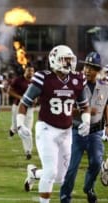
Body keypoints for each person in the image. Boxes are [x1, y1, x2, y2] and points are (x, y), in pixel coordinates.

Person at [18, 45, 90, 203]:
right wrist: (20, 124)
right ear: (54, 60)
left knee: (60, 177)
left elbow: (84, 106)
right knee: (50, 172)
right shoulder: (43, 78)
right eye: (65, 59)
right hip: (46, 129)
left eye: (70, 60)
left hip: (66, 132)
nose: (68, 63)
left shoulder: (77, 79)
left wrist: (86, 121)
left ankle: (34, 173)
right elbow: (24, 103)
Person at [60, 51, 108, 203]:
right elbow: (66, 109)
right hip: (76, 130)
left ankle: (89, 187)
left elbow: (106, 106)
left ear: (98, 70)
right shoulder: (75, 84)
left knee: (96, 163)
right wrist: (84, 110)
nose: (87, 70)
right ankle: (65, 197)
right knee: (71, 167)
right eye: (86, 66)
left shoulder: (105, 86)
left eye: (92, 67)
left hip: (96, 132)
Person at [8, 64, 35, 159]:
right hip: (18, 106)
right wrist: (20, 97)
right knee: (17, 128)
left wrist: (37, 100)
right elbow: (9, 91)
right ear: (25, 71)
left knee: (27, 129)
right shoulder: (18, 80)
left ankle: (28, 151)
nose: (30, 73)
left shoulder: (35, 81)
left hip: (30, 108)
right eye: (29, 71)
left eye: (32, 71)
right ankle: (12, 129)